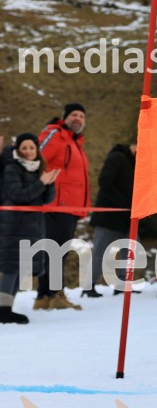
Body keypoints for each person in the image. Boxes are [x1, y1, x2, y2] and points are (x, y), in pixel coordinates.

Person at [35, 103, 90, 310]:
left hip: (69, 207)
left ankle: (45, 297)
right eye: (74, 115)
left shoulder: (76, 142)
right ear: (65, 117)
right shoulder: (55, 134)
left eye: (82, 116)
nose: (78, 119)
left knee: (57, 251)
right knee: (55, 252)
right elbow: (36, 158)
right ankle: (52, 295)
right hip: (56, 205)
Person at [0, 134, 59, 323]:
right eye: (24, 148)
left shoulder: (36, 169)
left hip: (31, 227)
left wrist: (49, 184)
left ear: (37, 150)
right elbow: (18, 195)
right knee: (11, 267)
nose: (28, 151)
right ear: (17, 150)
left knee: (21, 269)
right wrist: (42, 183)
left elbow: (45, 200)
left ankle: (7, 307)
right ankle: (3, 309)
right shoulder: (11, 168)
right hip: (13, 226)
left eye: (31, 148)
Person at [85, 141, 137, 297]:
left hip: (127, 216)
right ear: (133, 145)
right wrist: (120, 202)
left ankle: (123, 283)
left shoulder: (135, 163)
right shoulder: (117, 157)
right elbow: (104, 180)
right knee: (100, 250)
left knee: (131, 250)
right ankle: (89, 285)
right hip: (108, 215)